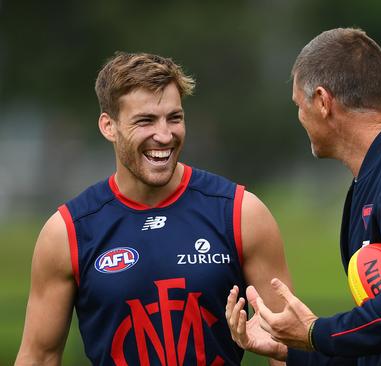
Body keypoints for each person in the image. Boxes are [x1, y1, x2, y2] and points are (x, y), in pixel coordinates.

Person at [14, 52, 291, 366]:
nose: (164, 135)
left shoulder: (241, 213)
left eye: (174, 118)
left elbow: (287, 346)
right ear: (109, 126)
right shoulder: (67, 231)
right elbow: (39, 356)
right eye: (145, 120)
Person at [225, 28, 381, 365]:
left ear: (323, 102)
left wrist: (316, 332)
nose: (300, 117)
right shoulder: (374, 174)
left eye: (300, 105)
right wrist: (291, 349)